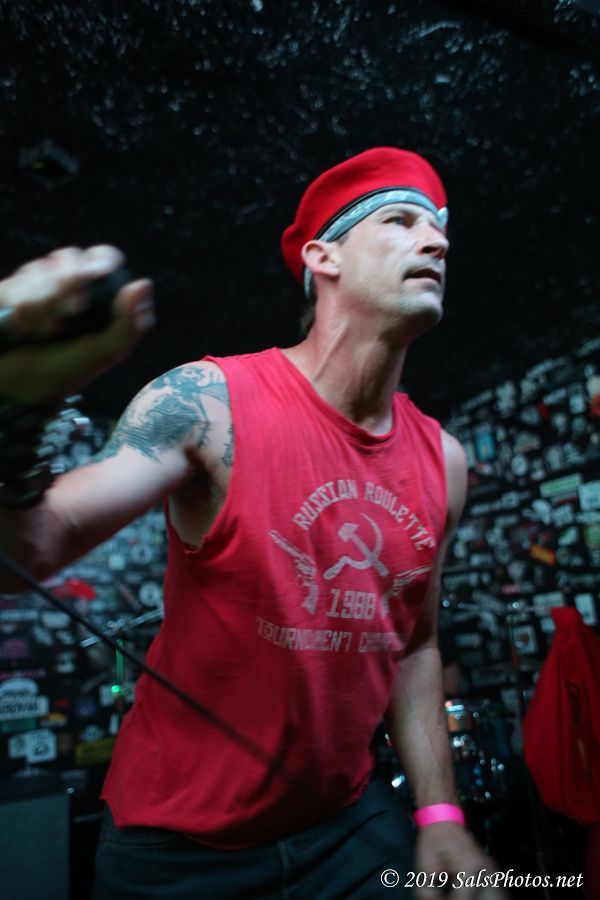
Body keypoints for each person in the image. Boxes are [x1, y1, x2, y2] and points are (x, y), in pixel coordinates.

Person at [0, 148, 504, 898]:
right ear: (323, 257)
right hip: (178, 844)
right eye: (402, 222)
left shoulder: (445, 459)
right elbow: (33, 550)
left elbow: (416, 643)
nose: (435, 242)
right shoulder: (207, 402)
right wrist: (14, 419)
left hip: (346, 824)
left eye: (440, 231)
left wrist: (438, 812)